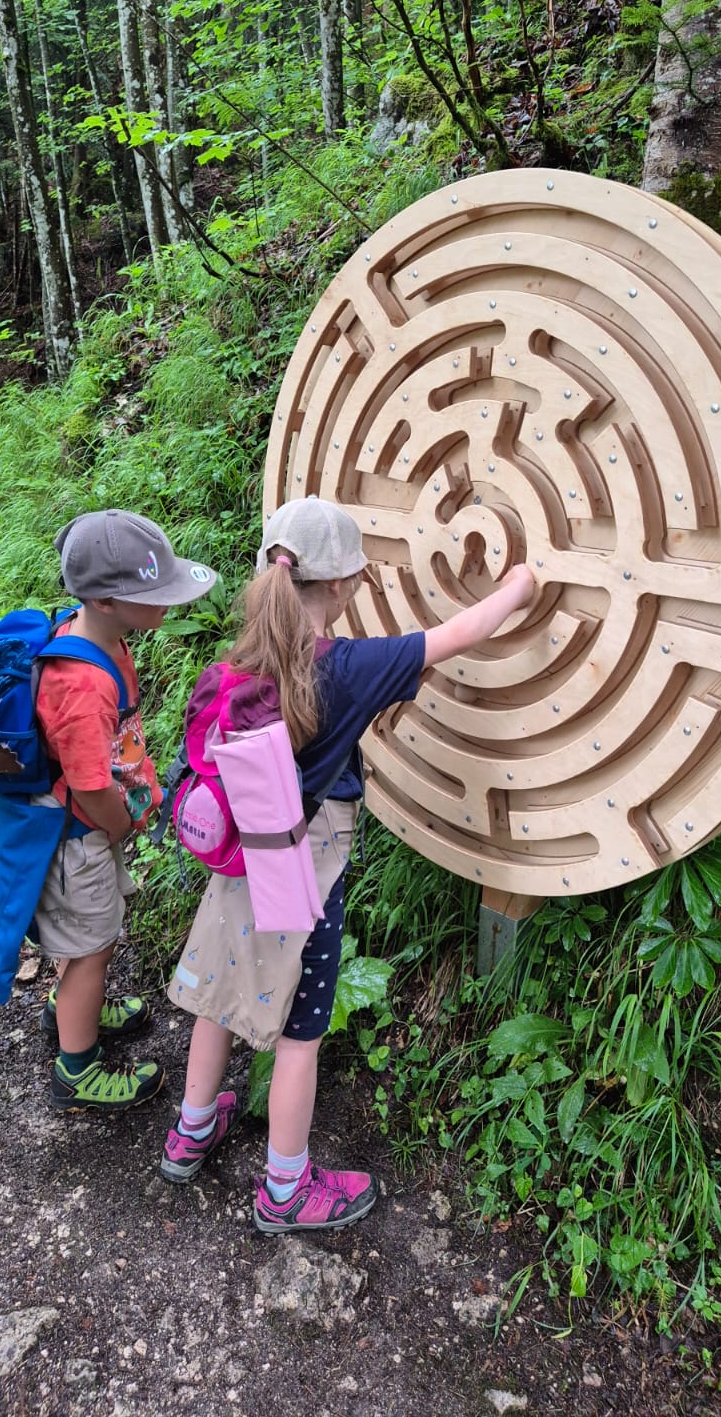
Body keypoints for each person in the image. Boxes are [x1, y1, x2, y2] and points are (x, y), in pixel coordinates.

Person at [160, 495, 535, 1231]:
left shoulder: (237, 663)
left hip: (236, 860)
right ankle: (286, 1190)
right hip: (303, 865)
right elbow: (460, 632)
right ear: (342, 586)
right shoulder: (352, 667)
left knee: (217, 993)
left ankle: (191, 1131)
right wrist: (522, 582)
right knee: (303, 1029)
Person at [38, 509, 215, 1111]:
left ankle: (74, 1006)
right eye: (158, 596)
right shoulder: (82, 687)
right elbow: (89, 786)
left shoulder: (101, 637)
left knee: (97, 933)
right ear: (109, 599)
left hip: (95, 829)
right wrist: (118, 825)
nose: (169, 606)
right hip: (82, 832)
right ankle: (77, 1068)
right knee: (89, 944)